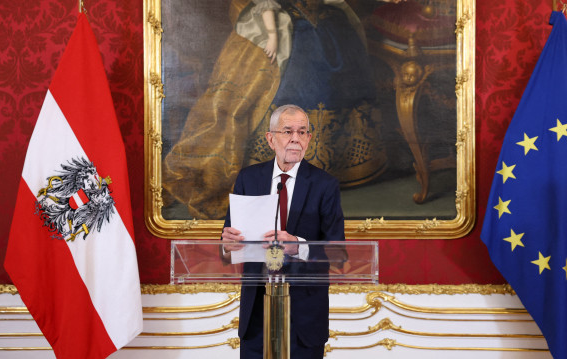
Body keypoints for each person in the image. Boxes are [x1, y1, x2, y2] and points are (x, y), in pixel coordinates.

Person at [162, 0, 402, 220]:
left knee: (341, 44)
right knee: (298, 65)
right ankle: (280, 168)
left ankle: (341, 164)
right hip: (277, 21)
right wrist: (273, 34)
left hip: (325, 19)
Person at [221, 104, 345, 359]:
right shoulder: (248, 178)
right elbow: (227, 247)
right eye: (288, 131)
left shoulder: (325, 185)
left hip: (304, 315)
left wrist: (298, 246)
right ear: (270, 138)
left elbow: (338, 253)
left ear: (309, 138)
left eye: (302, 132)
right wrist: (227, 245)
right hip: (257, 313)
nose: (295, 139)